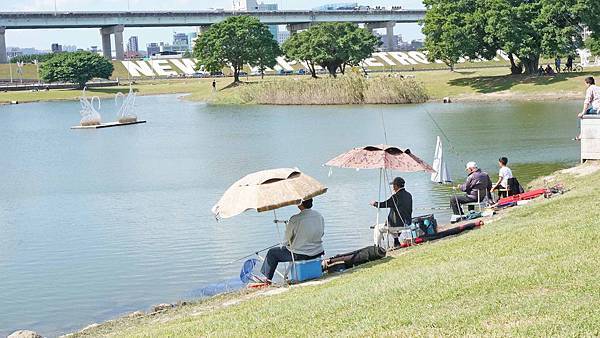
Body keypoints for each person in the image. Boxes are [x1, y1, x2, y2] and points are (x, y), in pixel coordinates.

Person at [259, 199, 324, 283]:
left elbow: (286, 241)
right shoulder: (319, 215)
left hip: (300, 254)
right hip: (318, 251)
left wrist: (290, 243)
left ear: (299, 204)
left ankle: (267, 280)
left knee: (272, 253)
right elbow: (321, 233)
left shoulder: (295, 219)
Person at [370, 177, 413, 248]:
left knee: (377, 228)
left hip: (398, 225)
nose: (393, 188)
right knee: (390, 224)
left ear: (396, 186)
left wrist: (374, 203)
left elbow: (383, 204)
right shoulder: (409, 195)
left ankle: (376, 247)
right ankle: (396, 242)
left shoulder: (395, 197)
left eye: (393, 185)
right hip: (407, 223)